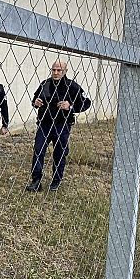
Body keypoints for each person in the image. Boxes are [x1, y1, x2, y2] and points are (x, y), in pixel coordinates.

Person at [25, 60, 91, 192]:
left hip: (62, 125)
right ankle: (36, 181)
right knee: (38, 151)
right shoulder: (45, 83)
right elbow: (35, 98)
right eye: (54, 70)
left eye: (59, 70)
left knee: (59, 153)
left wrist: (70, 106)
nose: (55, 73)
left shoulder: (72, 86)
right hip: (44, 123)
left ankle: (56, 180)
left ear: (65, 71)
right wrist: (35, 102)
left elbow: (86, 102)